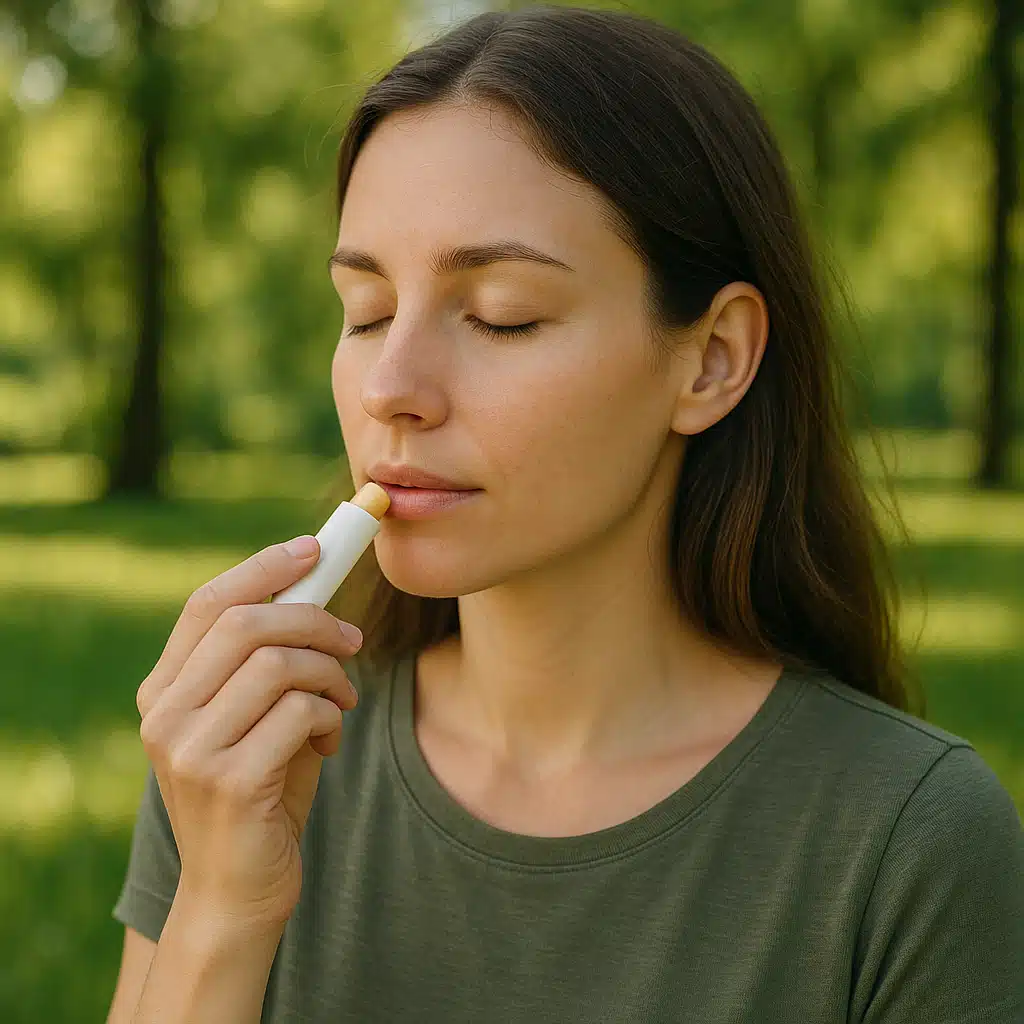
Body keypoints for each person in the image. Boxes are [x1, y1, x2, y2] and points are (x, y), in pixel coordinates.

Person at [105, 6, 1022, 1022]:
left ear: (711, 358)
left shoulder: (909, 839)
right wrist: (223, 909)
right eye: (364, 312)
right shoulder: (245, 753)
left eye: (502, 313)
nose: (391, 385)